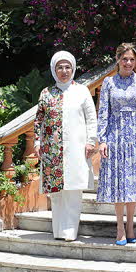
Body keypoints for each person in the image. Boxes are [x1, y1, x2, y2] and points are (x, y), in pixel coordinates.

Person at [34, 51, 98, 242]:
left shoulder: (82, 91)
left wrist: (91, 141)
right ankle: (58, 231)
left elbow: (91, 119)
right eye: (60, 67)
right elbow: (39, 121)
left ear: (73, 68)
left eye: (67, 67)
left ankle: (70, 230)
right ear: (54, 70)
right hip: (52, 151)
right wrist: (38, 142)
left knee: (73, 190)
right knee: (56, 193)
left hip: (76, 149)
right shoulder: (46, 93)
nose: (64, 71)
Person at [96, 44, 136, 246]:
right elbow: (103, 112)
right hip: (116, 137)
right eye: (124, 59)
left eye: (131, 59)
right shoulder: (109, 83)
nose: (128, 63)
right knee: (119, 184)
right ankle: (120, 226)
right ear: (118, 60)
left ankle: (131, 225)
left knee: (133, 183)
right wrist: (102, 139)